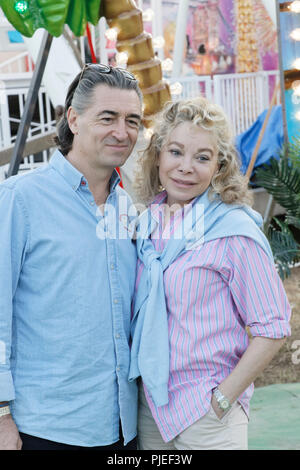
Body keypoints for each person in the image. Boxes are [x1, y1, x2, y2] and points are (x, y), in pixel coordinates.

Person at [129, 97, 291, 450]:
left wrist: (222, 398)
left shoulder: (232, 230)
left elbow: (273, 326)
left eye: (202, 157)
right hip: (150, 408)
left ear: (219, 166)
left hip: (206, 411)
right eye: (175, 152)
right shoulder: (145, 224)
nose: (186, 167)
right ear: (157, 155)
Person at [0, 64, 143, 450]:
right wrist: (0, 416)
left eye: (132, 120)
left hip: (122, 428)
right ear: (74, 119)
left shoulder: (128, 208)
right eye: (108, 117)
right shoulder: (20, 199)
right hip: (46, 429)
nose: (122, 131)